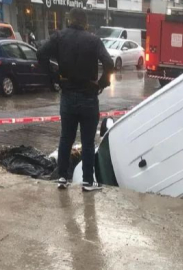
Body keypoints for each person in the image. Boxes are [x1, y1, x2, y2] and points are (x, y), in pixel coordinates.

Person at [37, 8, 114, 191]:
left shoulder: (59, 37)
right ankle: (88, 181)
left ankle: (62, 177)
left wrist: (55, 77)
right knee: (88, 141)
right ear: (85, 22)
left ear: (69, 20)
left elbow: (41, 54)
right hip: (89, 96)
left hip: (68, 95)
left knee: (66, 139)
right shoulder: (93, 40)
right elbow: (109, 64)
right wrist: (101, 84)